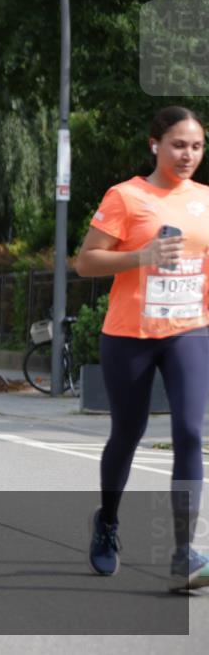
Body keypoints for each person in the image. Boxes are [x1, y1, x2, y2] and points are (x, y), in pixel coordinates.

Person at [76, 106, 209, 592]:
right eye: (178, 144)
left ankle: (183, 554)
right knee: (127, 434)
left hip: (190, 330)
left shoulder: (206, 201)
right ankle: (108, 521)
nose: (188, 154)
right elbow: (85, 263)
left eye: (196, 146)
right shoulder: (126, 196)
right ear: (155, 144)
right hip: (129, 334)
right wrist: (140, 256)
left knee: (191, 432)